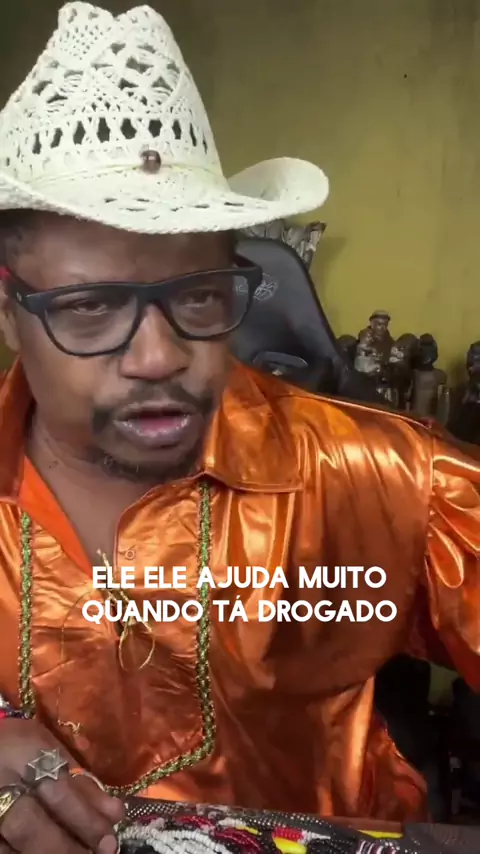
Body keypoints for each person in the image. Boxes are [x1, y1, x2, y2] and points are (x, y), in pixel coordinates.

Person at [0, 3, 478, 853]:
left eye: (198, 296)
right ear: (8, 309)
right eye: (91, 306)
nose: (158, 356)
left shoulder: (386, 480)